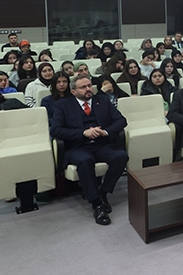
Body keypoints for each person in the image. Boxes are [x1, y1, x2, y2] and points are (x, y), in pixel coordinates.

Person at [50, 75, 128, 226]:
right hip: (78, 146)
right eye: (83, 87)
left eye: (89, 86)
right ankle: (97, 204)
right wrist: (83, 133)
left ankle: (103, 192)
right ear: (73, 91)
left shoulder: (102, 100)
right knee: (85, 160)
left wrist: (106, 132)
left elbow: (121, 120)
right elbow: (56, 130)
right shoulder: (63, 105)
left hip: (101, 143)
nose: (88, 89)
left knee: (121, 156)